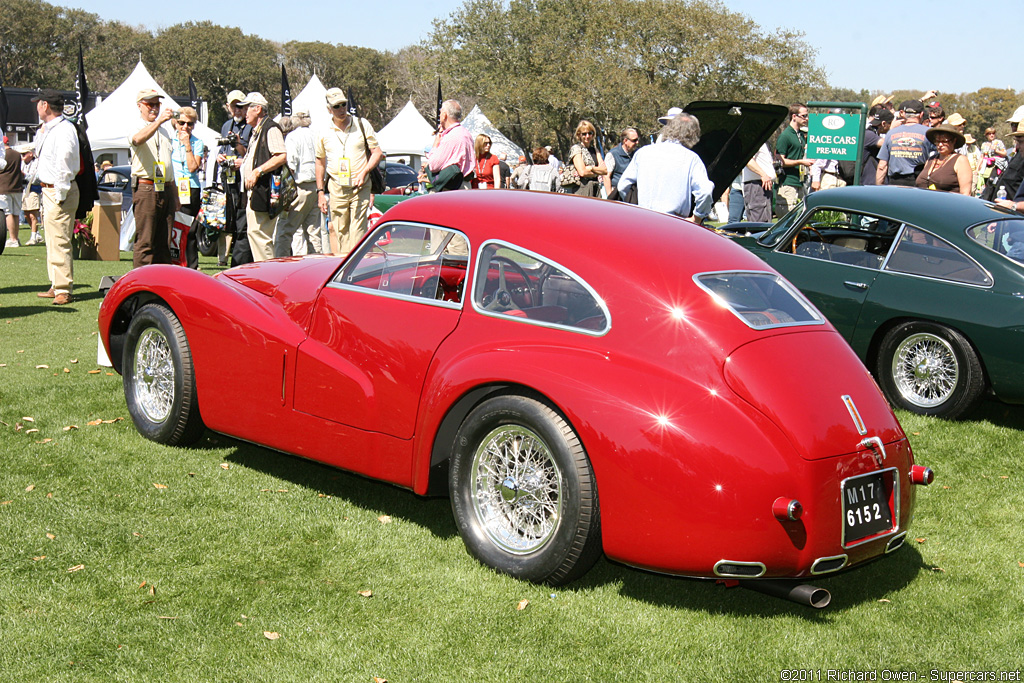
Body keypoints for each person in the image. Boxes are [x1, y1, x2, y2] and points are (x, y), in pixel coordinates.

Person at [315, 87, 383, 255]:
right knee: (340, 230)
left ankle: (355, 265)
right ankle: (344, 265)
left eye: (343, 104)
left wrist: (364, 172)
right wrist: (320, 192)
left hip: (360, 185)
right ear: (329, 109)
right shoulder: (323, 131)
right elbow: (320, 162)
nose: (341, 109)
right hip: (336, 187)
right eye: (336, 106)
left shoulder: (362, 124)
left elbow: (377, 153)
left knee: (358, 228)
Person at [29, 89, 80, 305]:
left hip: (59, 190)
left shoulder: (64, 129)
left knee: (59, 239)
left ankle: (63, 289)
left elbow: (65, 161)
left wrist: (60, 192)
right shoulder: (47, 130)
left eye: (38, 103)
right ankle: (55, 283)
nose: (37, 107)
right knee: (51, 239)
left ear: (45, 105)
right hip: (49, 189)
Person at [616, 112, 714, 223]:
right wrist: (697, 218)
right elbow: (705, 192)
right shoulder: (691, 159)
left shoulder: (643, 152)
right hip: (674, 223)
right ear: (693, 134)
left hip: (643, 220)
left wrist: (635, 206)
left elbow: (622, 186)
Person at [129, 88, 177, 269]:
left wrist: (175, 194)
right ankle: (140, 283)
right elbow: (137, 139)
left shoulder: (164, 131)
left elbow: (168, 165)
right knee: (145, 240)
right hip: (146, 188)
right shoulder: (136, 126)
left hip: (165, 188)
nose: (155, 108)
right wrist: (158, 122)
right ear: (140, 106)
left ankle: (162, 282)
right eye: (150, 104)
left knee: (164, 241)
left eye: (157, 104)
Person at [239, 92, 287, 261]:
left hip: (264, 190)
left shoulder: (271, 128)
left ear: (257, 109)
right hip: (256, 191)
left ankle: (269, 275)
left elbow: (281, 155)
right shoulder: (256, 131)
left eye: (247, 108)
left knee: (261, 236)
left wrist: (257, 171)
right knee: (255, 233)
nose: (244, 112)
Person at [275, 108, 321, 257]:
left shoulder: (293, 137)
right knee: (313, 232)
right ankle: (317, 264)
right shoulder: (317, 135)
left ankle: (279, 263)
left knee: (285, 230)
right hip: (316, 187)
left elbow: (291, 166)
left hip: (299, 187)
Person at [216, 90, 253, 266]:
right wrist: (220, 157)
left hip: (244, 183)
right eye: (233, 106)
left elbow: (250, 155)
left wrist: (240, 153)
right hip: (228, 182)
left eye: (240, 106)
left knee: (243, 225)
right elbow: (222, 150)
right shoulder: (226, 126)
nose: (237, 110)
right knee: (229, 224)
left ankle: (240, 263)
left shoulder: (251, 126)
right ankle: (229, 260)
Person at [170, 106, 205, 268]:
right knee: (171, 228)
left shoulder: (197, 143)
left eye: (189, 124)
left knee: (189, 230)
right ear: (175, 123)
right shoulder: (169, 140)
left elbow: (192, 167)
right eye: (181, 123)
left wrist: (187, 146)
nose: (185, 127)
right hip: (172, 186)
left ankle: (191, 266)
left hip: (190, 188)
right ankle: (171, 263)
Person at [877, 100, 935, 187]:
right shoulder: (929, 133)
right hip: (918, 181)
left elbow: (882, 166)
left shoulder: (891, 133)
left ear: (904, 114)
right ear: (921, 114)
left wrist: (879, 188)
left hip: (894, 182)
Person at [422, 99, 475, 192]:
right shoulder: (466, 134)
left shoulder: (450, 136)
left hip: (449, 189)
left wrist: (436, 144)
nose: (440, 115)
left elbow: (433, 166)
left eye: (441, 112)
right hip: (465, 185)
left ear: (445, 115)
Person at [775, 103, 814, 215]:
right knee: (787, 218)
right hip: (787, 183)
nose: (806, 119)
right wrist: (801, 162)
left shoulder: (801, 135)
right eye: (804, 116)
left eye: (807, 116)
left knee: (800, 217)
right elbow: (780, 161)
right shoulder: (785, 136)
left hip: (800, 182)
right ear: (794, 116)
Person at [915, 124, 972, 195]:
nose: (940, 145)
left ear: (954, 141)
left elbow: (966, 193)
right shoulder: (931, 160)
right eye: (937, 141)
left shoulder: (960, 160)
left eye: (944, 141)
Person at [562, 120, 607, 197]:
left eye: (590, 133)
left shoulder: (595, 150)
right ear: (579, 135)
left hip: (595, 188)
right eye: (584, 134)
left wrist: (590, 168)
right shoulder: (576, 149)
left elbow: (605, 170)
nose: (587, 136)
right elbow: (582, 172)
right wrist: (597, 172)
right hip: (580, 189)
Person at [603, 127, 639, 200]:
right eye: (634, 140)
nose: (637, 142)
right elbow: (606, 177)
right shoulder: (613, 154)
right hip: (617, 194)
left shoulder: (637, 154)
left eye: (637, 140)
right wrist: (611, 197)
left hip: (633, 194)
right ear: (625, 140)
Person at [741, 142, 774, 222]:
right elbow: (748, 160)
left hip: (763, 185)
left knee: (765, 222)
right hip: (756, 185)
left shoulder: (763, 142)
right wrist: (763, 175)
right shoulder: (753, 140)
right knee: (760, 223)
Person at [18, 144, 43, 245]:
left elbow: (37, 178)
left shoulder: (38, 163)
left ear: (31, 154)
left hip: (34, 190)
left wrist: (24, 175)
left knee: (33, 215)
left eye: (24, 154)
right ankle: (37, 234)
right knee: (26, 214)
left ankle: (33, 237)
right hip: (24, 191)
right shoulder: (23, 164)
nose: (22, 156)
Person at [1, 142, 25, 248]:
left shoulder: (2, 155)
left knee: (8, 213)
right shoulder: (17, 154)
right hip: (17, 186)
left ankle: (12, 239)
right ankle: (16, 237)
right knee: (16, 213)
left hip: (4, 187)